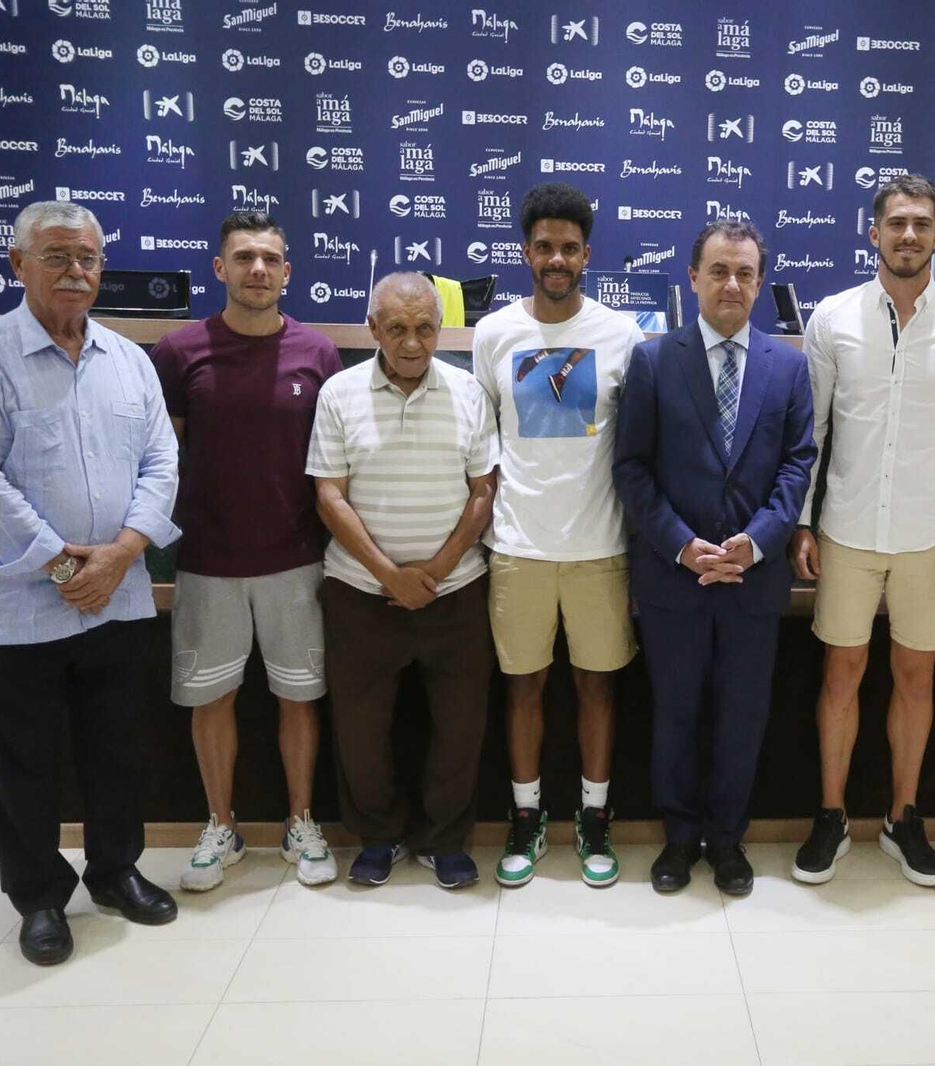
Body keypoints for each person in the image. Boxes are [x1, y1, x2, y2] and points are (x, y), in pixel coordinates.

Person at [0, 200, 181, 965]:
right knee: (23, 764)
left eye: (89, 258)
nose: (77, 272)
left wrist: (122, 553)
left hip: (119, 597)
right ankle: (39, 897)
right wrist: (66, 565)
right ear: (18, 264)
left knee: (116, 750)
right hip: (15, 609)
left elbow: (162, 463)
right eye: (57, 257)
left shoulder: (129, 359)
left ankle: (114, 871)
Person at [789, 175, 935, 887]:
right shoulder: (832, 318)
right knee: (841, 674)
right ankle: (831, 815)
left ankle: (901, 817)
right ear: (872, 231)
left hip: (930, 538)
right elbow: (810, 435)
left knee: (916, 679)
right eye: (896, 223)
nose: (908, 235)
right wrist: (802, 522)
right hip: (846, 531)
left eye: (921, 223)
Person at [613, 219, 816, 895]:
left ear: (761, 282)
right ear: (693, 277)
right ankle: (678, 838)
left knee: (741, 716)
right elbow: (634, 468)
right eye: (719, 270)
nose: (732, 284)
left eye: (746, 273)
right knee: (674, 712)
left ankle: (727, 839)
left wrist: (756, 542)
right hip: (675, 580)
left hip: (752, 582)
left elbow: (797, 466)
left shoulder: (787, 365)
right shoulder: (652, 360)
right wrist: (681, 545)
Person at [152, 211, 344, 892]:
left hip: (298, 559)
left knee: (300, 700)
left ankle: (301, 821)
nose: (257, 269)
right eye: (244, 258)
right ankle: (220, 826)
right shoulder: (178, 352)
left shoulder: (319, 353)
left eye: (269, 258)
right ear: (220, 268)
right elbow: (161, 459)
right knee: (215, 700)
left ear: (288, 271)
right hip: (207, 560)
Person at [471, 183, 645, 888]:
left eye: (569, 247)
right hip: (518, 548)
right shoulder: (493, 335)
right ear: (526, 251)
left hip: (600, 547)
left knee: (598, 688)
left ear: (586, 255)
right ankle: (527, 816)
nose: (556, 258)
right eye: (544, 246)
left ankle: (595, 819)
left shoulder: (622, 335)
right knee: (524, 690)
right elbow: (481, 447)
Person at [306, 271, 499, 889]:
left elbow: (482, 493)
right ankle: (379, 836)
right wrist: (389, 573)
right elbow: (329, 495)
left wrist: (434, 573)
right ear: (373, 330)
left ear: (441, 329)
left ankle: (445, 841)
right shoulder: (337, 393)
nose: (412, 342)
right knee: (361, 731)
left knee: (459, 726)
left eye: (424, 328)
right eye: (396, 328)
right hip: (361, 594)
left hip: (457, 592)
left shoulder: (469, 392)